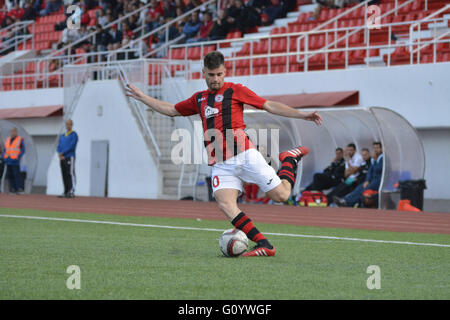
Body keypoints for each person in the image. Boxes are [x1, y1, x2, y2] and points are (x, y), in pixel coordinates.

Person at [125, 51, 322, 257]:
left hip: (245, 155)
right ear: (204, 74)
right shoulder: (199, 99)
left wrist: (302, 115)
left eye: (219, 74)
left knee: (282, 195)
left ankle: (289, 159)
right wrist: (143, 97)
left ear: (225, 72)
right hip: (220, 163)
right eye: (211, 75)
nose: (216, 79)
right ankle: (264, 244)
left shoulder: (236, 90)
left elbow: (268, 105)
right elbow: (172, 109)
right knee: (225, 204)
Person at [334, 142, 383, 207]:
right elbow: (370, 172)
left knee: (364, 190)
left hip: (379, 180)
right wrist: (367, 180)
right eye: (374, 148)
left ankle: (348, 203)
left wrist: (374, 160)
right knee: (358, 188)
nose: (375, 150)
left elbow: (379, 169)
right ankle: (344, 200)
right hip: (371, 180)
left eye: (377, 148)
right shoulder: (373, 159)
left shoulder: (382, 158)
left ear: (381, 148)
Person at [57, 119, 78, 198]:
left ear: (72, 125)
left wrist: (63, 153)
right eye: (67, 124)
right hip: (62, 158)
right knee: (64, 174)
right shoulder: (62, 136)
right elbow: (59, 146)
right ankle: (66, 191)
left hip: (70, 157)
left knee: (70, 173)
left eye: (70, 124)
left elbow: (72, 146)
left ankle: (71, 190)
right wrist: (59, 153)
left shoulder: (74, 135)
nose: (68, 126)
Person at [3, 127, 25, 194]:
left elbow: (23, 149)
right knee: (10, 175)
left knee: (17, 175)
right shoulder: (8, 139)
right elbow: (5, 150)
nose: (13, 132)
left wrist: (18, 157)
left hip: (15, 160)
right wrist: (4, 157)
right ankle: (12, 188)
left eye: (14, 131)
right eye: (11, 131)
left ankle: (19, 188)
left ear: (16, 132)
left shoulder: (19, 139)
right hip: (8, 160)